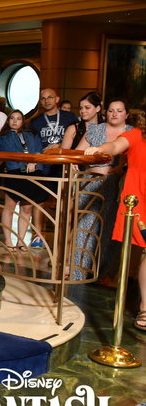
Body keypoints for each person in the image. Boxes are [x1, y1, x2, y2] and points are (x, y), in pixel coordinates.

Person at [85, 118, 146, 332]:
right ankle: (145, 308)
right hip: (140, 201)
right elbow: (116, 145)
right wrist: (99, 149)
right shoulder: (138, 135)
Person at [69, 97, 132, 281]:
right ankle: (78, 271)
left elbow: (131, 161)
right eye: (111, 110)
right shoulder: (95, 129)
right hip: (89, 181)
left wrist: (117, 169)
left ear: (126, 114)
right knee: (83, 225)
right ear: (106, 112)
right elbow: (79, 152)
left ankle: (102, 272)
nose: (114, 114)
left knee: (107, 228)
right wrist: (74, 160)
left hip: (113, 184)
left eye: (119, 111)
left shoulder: (131, 133)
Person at [0, 110, 48, 250]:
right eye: (12, 118)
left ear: (23, 121)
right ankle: (8, 241)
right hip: (14, 173)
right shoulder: (2, 137)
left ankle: (21, 241)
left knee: (26, 208)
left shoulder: (32, 135)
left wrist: (34, 161)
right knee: (9, 208)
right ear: (8, 120)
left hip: (32, 174)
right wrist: (28, 161)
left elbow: (39, 152)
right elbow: (0, 156)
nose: (14, 121)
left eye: (18, 118)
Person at [29, 88, 76, 248]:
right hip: (45, 165)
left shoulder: (70, 118)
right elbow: (33, 145)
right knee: (39, 201)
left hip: (64, 166)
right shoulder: (36, 122)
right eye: (43, 98)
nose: (46, 100)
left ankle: (64, 237)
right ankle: (38, 236)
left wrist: (61, 147)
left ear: (57, 99)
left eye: (50, 97)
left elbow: (77, 140)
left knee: (65, 202)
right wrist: (44, 151)